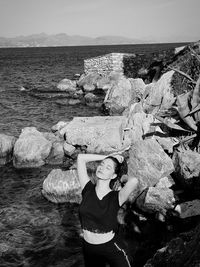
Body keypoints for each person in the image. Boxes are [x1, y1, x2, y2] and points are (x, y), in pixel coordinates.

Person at [77, 153, 138, 267]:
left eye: (108, 167)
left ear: (113, 175)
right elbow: (81, 158)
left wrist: (121, 176)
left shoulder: (116, 197)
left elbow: (134, 181)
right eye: (102, 164)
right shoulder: (87, 188)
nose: (102, 167)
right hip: (89, 248)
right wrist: (108, 156)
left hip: (112, 248)